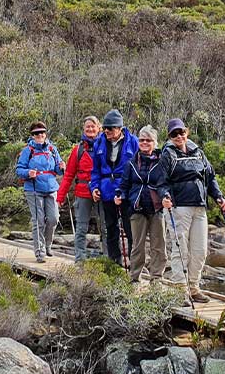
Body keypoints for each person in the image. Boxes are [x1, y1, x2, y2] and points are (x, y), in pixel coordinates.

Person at [159, 118, 225, 302]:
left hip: (199, 207)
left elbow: (210, 177)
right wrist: (165, 196)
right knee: (180, 249)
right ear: (170, 136)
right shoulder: (167, 155)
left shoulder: (198, 153)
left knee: (200, 250)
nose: (179, 136)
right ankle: (180, 290)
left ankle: (194, 287)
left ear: (187, 132)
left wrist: (219, 197)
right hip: (178, 207)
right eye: (174, 134)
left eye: (181, 132)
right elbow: (162, 182)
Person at [115, 125, 168, 282]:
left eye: (148, 140)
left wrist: (166, 196)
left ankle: (157, 278)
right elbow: (124, 185)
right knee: (137, 246)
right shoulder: (131, 163)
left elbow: (165, 183)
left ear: (155, 142)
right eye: (142, 140)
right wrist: (119, 194)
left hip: (156, 208)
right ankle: (134, 277)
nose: (144, 142)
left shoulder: (162, 162)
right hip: (137, 208)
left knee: (158, 246)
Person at [90, 109, 139, 265]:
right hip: (106, 191)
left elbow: (138, 167)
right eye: (105, 128)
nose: (106, 131)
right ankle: (114, 261)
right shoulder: (99, 142)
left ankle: (134, 262)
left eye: (110, 128)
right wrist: (94, 188)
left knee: (129, 228)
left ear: (119, 128)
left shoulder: (133, 142)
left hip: (126, 191)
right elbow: (95, 170)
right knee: (110, 228)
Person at [16, 121, 64, 263]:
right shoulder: (27, 151)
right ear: (32, 135)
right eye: (36, 133)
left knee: (54, 218)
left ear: (45, 133)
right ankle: (40, 252)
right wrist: (27, 173)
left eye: (42, 132)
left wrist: (62, 167)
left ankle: (48, 245)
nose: (40, 135)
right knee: (39, 221)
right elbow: (19, 170)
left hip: (51, 188)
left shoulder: (52, 149)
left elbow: (57, 169)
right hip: (34, 189)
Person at [57, 115, 103, 262]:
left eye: (93, 126)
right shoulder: (78, 150)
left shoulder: (105, 147)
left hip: (101, 192)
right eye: (87, 127)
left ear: (98, 128)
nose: (90, 129)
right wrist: (60, 196)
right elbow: (69, 174)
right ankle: (80, 260)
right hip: (82, 193)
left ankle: (108, 259)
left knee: (105, 228)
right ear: (83, 129)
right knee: (81, 229)